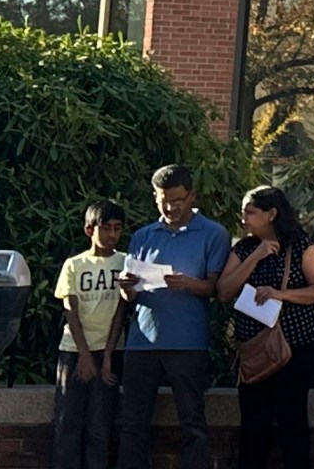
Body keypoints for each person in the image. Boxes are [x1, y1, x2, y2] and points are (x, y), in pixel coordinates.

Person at [117, 164, 230, 469]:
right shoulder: (142, 236)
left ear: (192, 195)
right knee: (132, 423)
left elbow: (214, 288)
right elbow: (132, 296)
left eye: (178, 200)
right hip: (142, 341)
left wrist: (189, 283)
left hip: (188, 342)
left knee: (192, 422)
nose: (170, 207)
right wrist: (126, 288)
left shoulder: (213, 233)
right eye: (163, 200)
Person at [219, 186, 314, 469]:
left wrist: (282, 295)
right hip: (254, 348)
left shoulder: (299, 245)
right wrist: (255, 256)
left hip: (295, 347)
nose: (243, 217)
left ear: (271, 214)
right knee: (253, 423)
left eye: (250, 212)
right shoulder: (243, 248)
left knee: (291, 420)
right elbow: (223, 291)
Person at [53, 201, 129, 469]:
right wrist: (85, 356)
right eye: (105, 228)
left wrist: (107, 355)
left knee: (100, 428)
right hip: (74, 352)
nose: (112, 235)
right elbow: (70, 312)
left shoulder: (124, 262)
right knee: (68, 424)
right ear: (89, 229)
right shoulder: (74, 265)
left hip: (108, 351)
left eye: (117, 229)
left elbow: (122, 310)